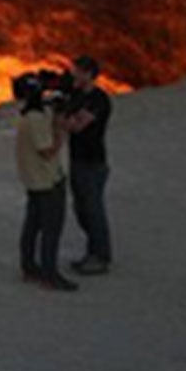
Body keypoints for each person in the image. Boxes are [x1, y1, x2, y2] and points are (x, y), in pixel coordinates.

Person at [15, 72, 76, 292]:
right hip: (47, 179)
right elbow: (46, 151)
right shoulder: (36, 118)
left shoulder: (27, 115)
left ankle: (29, 267)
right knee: (51, 228)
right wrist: (60, 131)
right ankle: (50, 275)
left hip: (32, 179)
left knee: (32, 225)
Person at [64, 55, 113, 277]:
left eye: (77, 71)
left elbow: (76, 126)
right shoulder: (75, 95)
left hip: (93, 163)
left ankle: (101, 256)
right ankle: (92, 251)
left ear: (88, 74)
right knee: (81, 210)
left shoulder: (99, 100)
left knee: (93, 210)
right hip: (76, 160)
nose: (73, 74)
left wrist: (62, 120)